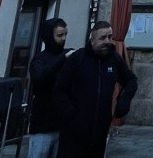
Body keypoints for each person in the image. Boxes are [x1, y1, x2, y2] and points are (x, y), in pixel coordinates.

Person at [54, 20, 137, 158]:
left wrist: (124, 101)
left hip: (99, 133)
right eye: (102, 38)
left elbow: (131, 80)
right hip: (74, 133)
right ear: (92, 40)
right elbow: (59, 89)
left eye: (109, 37)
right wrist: (71, 114)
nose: (107, 41)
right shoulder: (78, 58)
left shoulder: (114, 59)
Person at [28, 18, 72, 158]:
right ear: (49, 37)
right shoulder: (39, 60)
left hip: (62, 124)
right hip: (43, 126)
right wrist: (63, 58)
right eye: (59, 35)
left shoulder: (67, 56)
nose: (63, 39)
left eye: (65, 34)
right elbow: (39, 77)